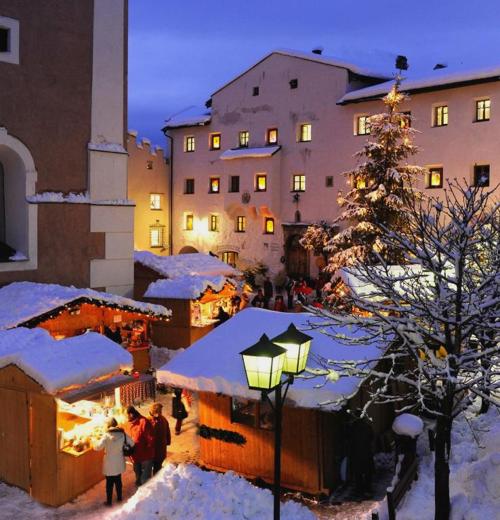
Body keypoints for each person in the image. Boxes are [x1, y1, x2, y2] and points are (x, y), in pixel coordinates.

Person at [93, 417, 134, 506]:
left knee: (109, 483)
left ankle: (109, 501)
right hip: (119, 461)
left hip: (109, 463)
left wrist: (94, 441)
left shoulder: (106, 436)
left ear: (108, 425)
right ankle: (119, 498)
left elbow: (97, 447)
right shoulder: (122, 434)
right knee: (118, 480)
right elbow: (132, 443)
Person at [126, 405, 154, 486]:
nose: (124, 417)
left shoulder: (144, 422)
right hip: (135, 457)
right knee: (138, 478)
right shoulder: (129, 423)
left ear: (131, 414)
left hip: (145, 456)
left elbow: (151, 439)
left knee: (145, 481)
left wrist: (145, 450)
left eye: (125, 415)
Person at [348, 411, 375, 495]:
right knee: (368, 472)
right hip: (367, 452)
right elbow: (372, 438)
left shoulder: (352, 428)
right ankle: (368, 488)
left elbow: (349, 440)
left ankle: (359, 489)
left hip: (356, 453)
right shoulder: (367, 427)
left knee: (358, 473)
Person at [149, 403, 171, 474]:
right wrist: (168, 441)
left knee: (155, 468)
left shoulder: (161, 419)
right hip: (156, 450)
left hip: (156, 450)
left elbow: (167, 431)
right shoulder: (162, 419)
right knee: (155, 468)